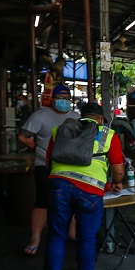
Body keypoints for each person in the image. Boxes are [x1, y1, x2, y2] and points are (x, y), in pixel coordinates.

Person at [40, 102, 125, 270]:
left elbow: (48, 162)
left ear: (82, 116)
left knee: (56, 236)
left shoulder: (60, 131)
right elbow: (118, 169)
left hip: (58, 186)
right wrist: (116, 183)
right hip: (90, 191)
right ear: (101, 119)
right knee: (87, 238)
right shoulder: (107, 134)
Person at [18, 84, 79, 255]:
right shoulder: (41, 115)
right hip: (45, 165)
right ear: (52, 100)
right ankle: (35, 238)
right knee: (42, 202)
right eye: (60, 98)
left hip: (69, 165)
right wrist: (38, 148)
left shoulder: (75, 116)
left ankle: (72, 232)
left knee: (72, 200)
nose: (64, 102)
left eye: (67, 99)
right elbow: (23, 136)